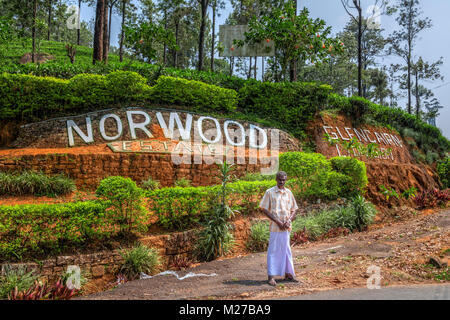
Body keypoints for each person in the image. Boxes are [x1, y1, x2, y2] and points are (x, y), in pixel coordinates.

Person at [259, 171, 300, 286]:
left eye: (284, 180)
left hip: (286, 228)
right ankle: (271, 277)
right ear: (276, 179)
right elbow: (264, 209)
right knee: (273, 251)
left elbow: (294, 209)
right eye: (280, 180)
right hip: (275, 228)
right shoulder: (270, 192)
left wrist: (289, 221)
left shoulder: (288, 193)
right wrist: (278, 222)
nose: (282, 182)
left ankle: (289, 274)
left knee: (287, 250)